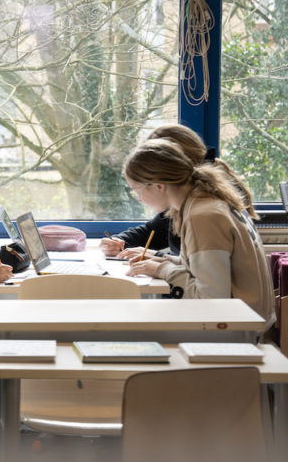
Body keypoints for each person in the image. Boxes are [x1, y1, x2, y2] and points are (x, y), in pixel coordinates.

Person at [123, 138, 274, 328]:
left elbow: (209, 298)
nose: (139, 199)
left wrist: (162, 270)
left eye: (136, 190)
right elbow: (206, 268)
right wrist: (164, 261)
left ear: (158, 185)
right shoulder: (203, 201)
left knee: (134, 325)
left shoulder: (202, 216)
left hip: (237, 327)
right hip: (246, 318)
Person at [101, 123, 256, 259]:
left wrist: (158, 259)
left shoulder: (204, 207)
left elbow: (206, 276)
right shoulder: (190, 195)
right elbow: (155, 231)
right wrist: (118, 241)